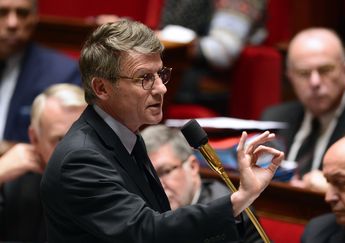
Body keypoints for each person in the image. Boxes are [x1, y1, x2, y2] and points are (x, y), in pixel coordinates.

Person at [40, 19, 283, 243]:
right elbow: (147, 231)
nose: (161, 89)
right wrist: (239, 199)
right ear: (102, 88)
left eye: (160, 74)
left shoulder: (125, 138)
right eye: (144, 78)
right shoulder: (80, 159)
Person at [261, 27, 345, 190]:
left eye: (325, 70)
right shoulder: (273, 118)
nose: (315, 82)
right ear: (290, 78)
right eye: (303, 73)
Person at [141, 124, 262, 243]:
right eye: (150, 178)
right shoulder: (148, 212)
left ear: (193, 166)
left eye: (165, 171)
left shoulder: (230, 209)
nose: (159, 186)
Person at [0, 83, 86, 241]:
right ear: (34, 138)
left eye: (83, 137)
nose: (75, 151)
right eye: (60, 139)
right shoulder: (16, 184)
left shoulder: (115, 184)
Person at [0, 0, 81, 143]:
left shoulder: (63, 73)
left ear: (35, 17)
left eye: (23, 13)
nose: (13, 23)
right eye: (2, 12)